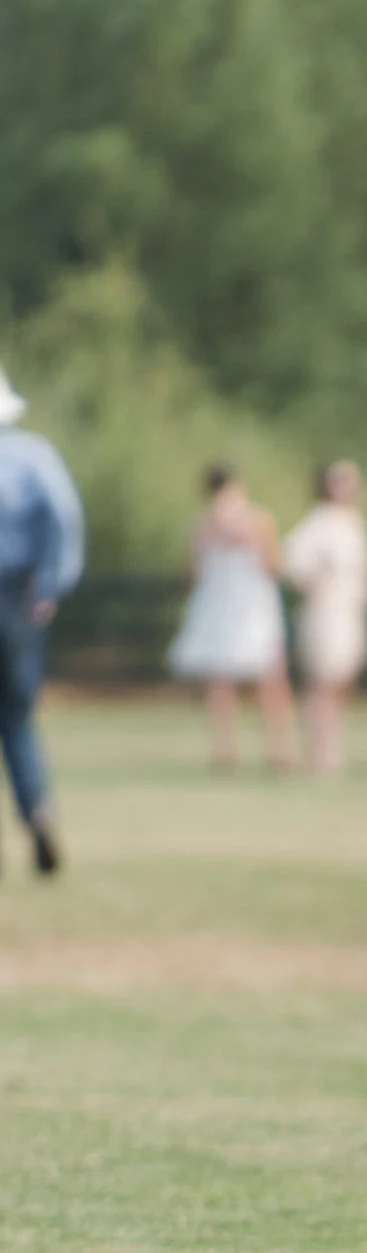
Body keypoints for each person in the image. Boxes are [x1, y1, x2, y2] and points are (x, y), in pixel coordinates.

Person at [0, 364, 83, 874]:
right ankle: (37, 810)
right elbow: (63, 515)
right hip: (16, 597)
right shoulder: (33, 455)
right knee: (16, 717)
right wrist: (51, 584)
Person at [168, 464, 297, 773]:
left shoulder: (203, 524)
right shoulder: (256, 520)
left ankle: (228, 751)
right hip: (246, 609)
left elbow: (190, 575)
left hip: (224, 610)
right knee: (266, 680)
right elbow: (275, 566)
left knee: (223, 683)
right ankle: (277, 749)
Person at [281, 459, 367, 777]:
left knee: (342, 680)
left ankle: (332, 747)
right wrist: (312, 582)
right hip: (325, 612)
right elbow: (292, 561)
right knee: (323, 681)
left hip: (349, 611)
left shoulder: (352, 521)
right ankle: (319, 752)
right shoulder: (318, 522)